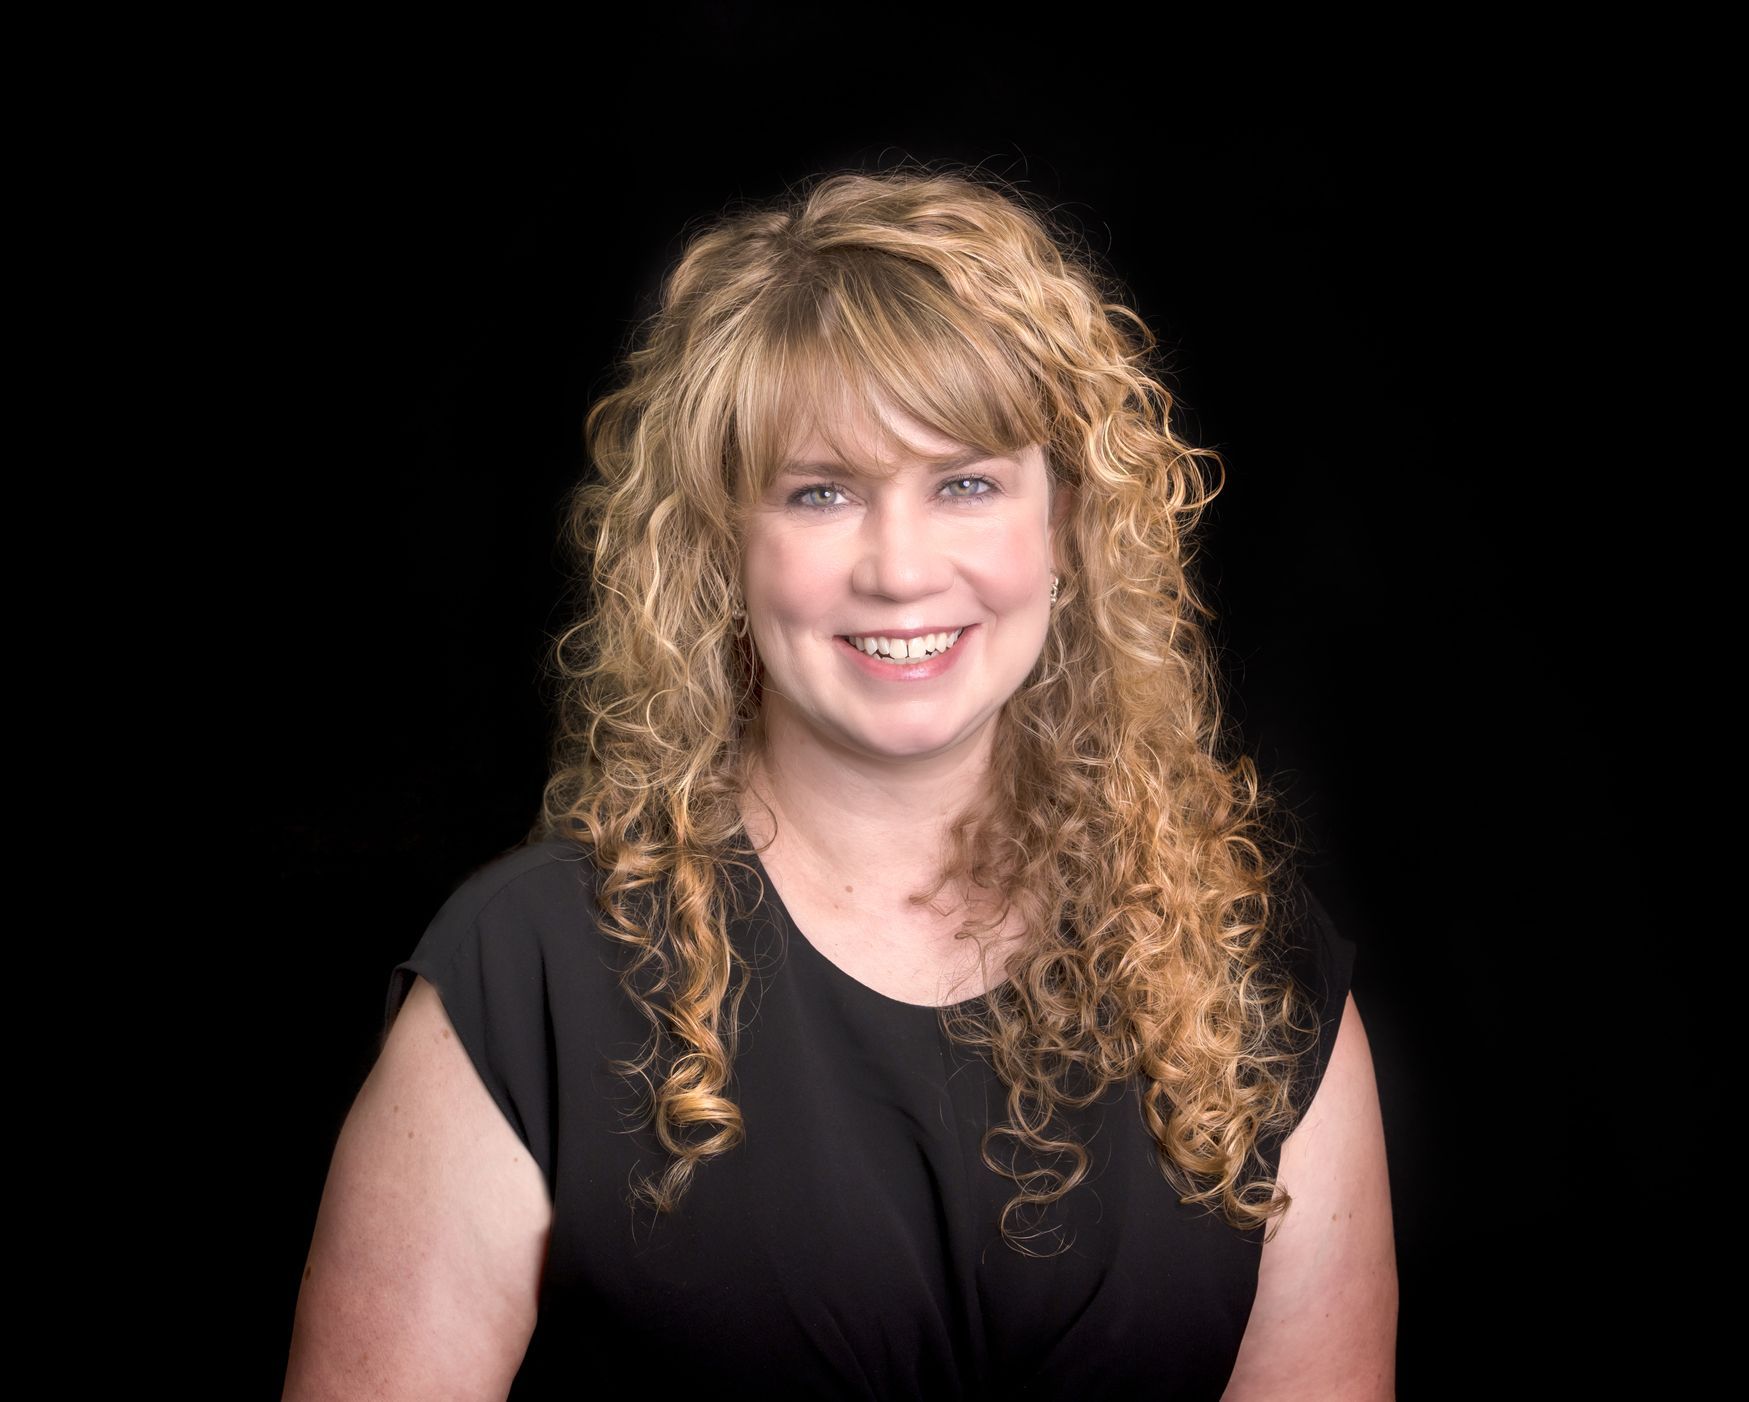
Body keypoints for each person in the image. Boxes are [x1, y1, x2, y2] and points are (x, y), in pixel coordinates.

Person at [285, 164, 1397, 1400]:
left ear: (1066, 528)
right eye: (822, 493)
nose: (900, 568)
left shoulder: (1255, 982)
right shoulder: (525, 976)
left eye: (966, 482)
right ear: (722, 548)